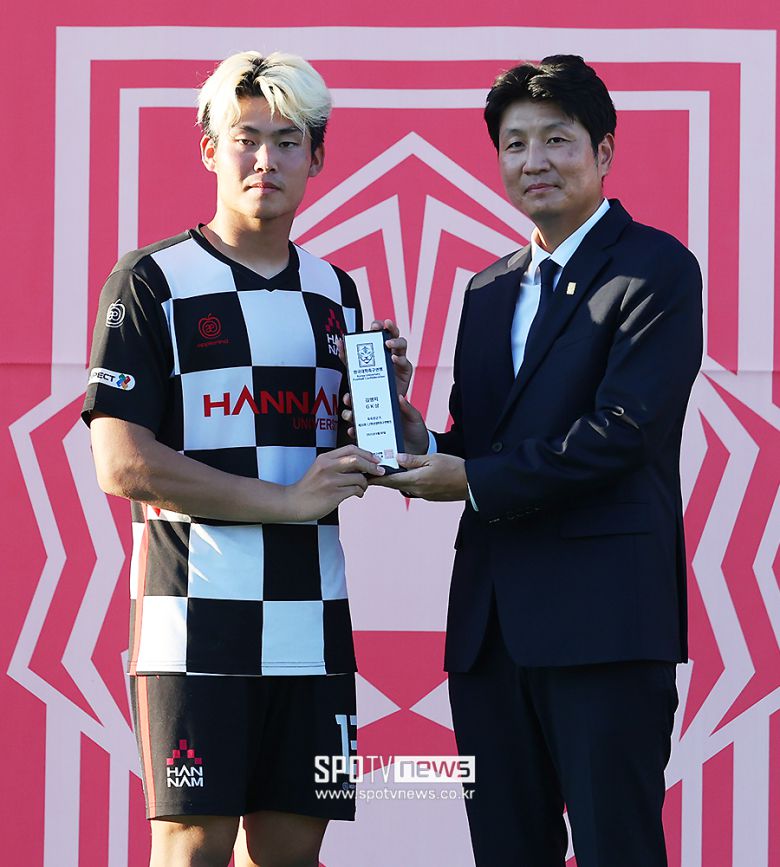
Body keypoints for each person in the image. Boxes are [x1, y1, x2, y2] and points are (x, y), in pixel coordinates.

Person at [371, 55, 702, 866]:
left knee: (618, 847)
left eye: (557, 139)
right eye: (515, 144)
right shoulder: (488, 290)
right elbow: (481, 442)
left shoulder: (656, 268)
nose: (534, 161)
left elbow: (623, 431)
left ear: (604, 150)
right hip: (489, 634)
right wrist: (417, 439)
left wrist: (472, 479)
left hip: (605, 629)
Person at [82, 51, 408, 867]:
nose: (266, 159)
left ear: (317, 158)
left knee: (292, 852)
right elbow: (121, 461)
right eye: (246, 138)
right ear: (209, 150)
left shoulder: (337, 291)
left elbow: (361, 454)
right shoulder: (151, 280)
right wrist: (288, 501)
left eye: (288, 141)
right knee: (193, 847)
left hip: (314, 620)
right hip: (195, 624)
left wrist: (385, 411)